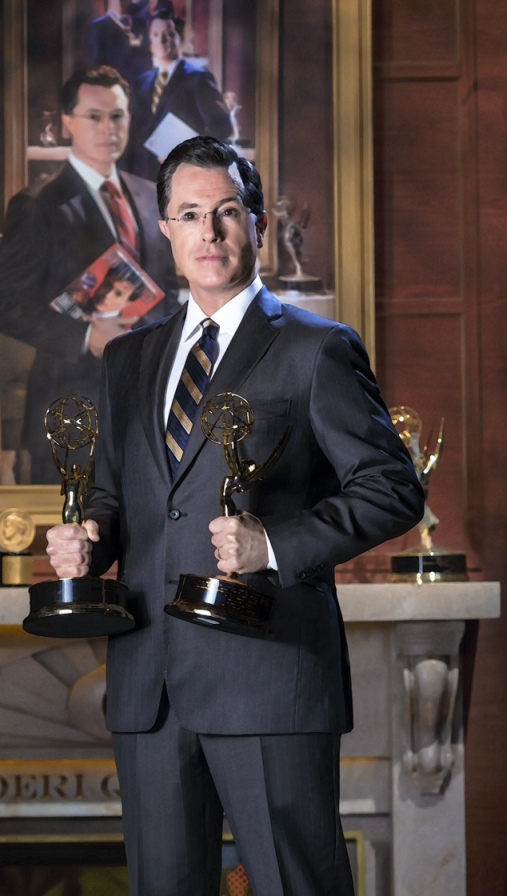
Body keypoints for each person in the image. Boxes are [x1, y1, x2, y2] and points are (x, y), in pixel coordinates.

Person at [45, 136, 425, 895]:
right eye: (190, 215)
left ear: (255, 222)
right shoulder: (128, 360)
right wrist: (87, 539)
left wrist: (274, 545)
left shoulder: (316, 350)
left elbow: (392, 487)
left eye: (225, 212)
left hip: (269, 672)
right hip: (150, 681)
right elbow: (121, 497)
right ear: (165, 232)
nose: (208, 232)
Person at [0, 66, 179, 483]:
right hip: (71, 408)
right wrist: (86, 336)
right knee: (72, 542)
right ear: (67, 122)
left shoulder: (149, 194)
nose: (108, 127)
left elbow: (169, 290)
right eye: (94, 116)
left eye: (118, 115)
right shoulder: (39, 204)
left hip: (151, 407)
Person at [121, 13, 233, 181]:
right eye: (156, 35)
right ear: (150, 40)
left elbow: (222, 128)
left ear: (179, 38)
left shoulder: (198, 78)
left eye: (169, 34)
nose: (162, 40)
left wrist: (188, 155)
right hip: (142, 178)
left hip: (181, 177)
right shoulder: (141, 82)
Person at [85, 0, 152, 84]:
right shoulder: (98, 27)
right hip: (113, 87)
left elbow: (148, 57)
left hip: (139, 87)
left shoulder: (140, 24)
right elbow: (94, 64)